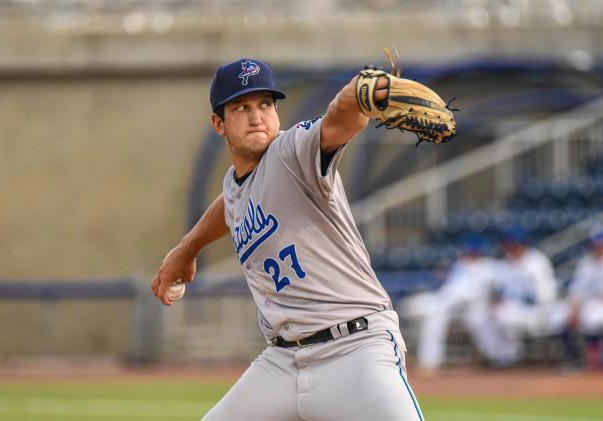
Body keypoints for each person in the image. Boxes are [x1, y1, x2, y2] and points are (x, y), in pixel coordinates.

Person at [150, 58, 424, 420]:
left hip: (355, 349)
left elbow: (340, 120)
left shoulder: (294, 151)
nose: (256, 116)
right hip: (283, 361)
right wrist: (187, 249)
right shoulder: (235, 185)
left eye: (265, 104)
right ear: (219, 123)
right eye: (241, 107)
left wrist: (359, 92)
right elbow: (229, 206)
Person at [401, 234, 500, 374]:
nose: (469, 253)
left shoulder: (488, 267)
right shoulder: (460, 264)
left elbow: (489, 290)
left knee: (437, 308)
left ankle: (498, 358)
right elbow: (448, 288)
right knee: (433, 317)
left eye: (472, 251)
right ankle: (429, 363)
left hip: (474, 307)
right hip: (449, 306)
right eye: (468, 250)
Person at [465, 227, 557, 366]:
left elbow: (544, 295)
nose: (510, 247)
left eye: (514, 244)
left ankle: (512, 356)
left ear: (522, 244)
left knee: (503, 315)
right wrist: (495, 302)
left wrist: (510, 302)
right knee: (476, 316)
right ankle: (496, 356)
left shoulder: (536, 261)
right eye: (508, 244)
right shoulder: (506, 262)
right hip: (512, 308)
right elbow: (498, 289)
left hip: (535, 311)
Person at [547, 222, 603, 370]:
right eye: (595, 244)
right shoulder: (586, 263)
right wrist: (574, 310)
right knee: (557, 317)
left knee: (592, 318)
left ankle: (598, 356)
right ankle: (572, 358)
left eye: (600, 243)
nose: (597, 248)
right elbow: (577, 291)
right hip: (586, 304)